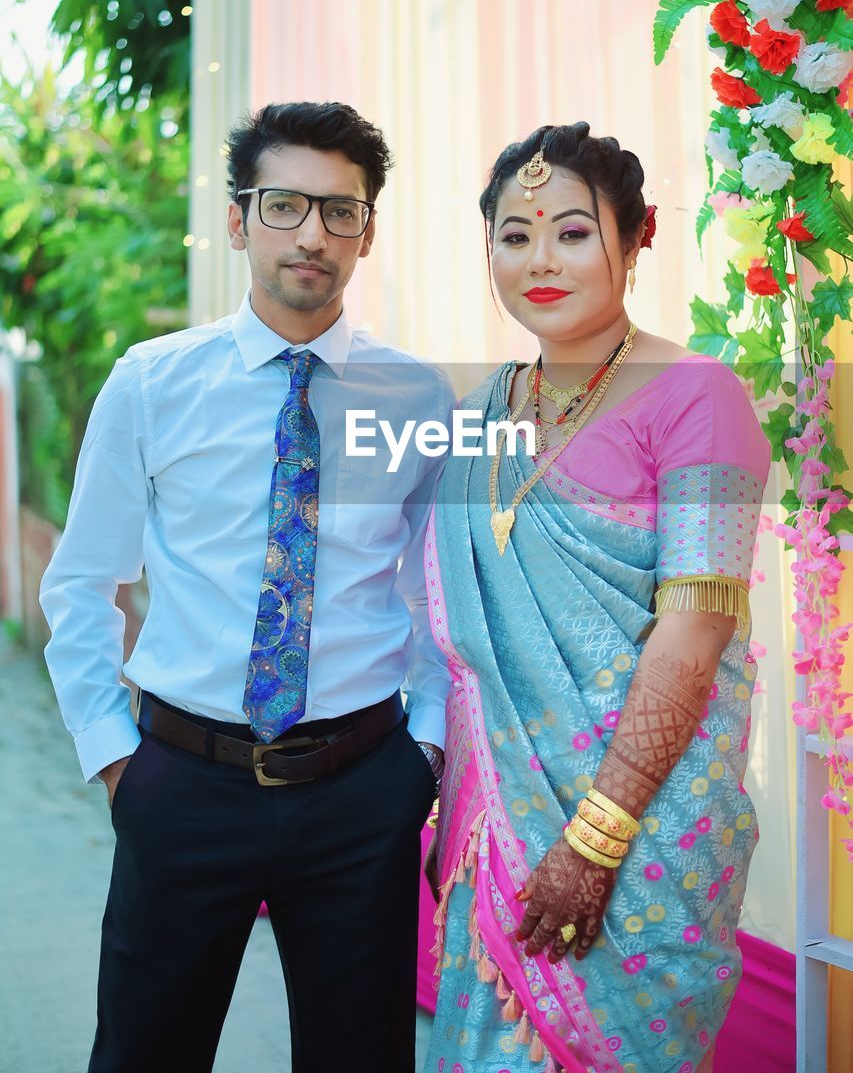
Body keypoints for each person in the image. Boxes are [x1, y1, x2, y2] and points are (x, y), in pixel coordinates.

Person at [40, 101, 453, 1073]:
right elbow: (83, 580)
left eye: (339, 210)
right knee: (145, 1051)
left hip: (364, 788)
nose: (312, 232)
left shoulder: (417, 396)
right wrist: (115, 761)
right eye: (283, 204)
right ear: (238, 220)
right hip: (181, 780)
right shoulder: (152, 382)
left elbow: (437, 596)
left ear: (367, 231)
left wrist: (422, 755)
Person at [422, 123, 770, 1073]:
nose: (540, 261)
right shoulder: (487, 408)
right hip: (499, 822)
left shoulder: (698, 397)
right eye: (514, 234)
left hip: (643, 834)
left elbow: (692, 635)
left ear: (637, 233)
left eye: (572, 232)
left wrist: (593, 841)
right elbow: (458, 630)